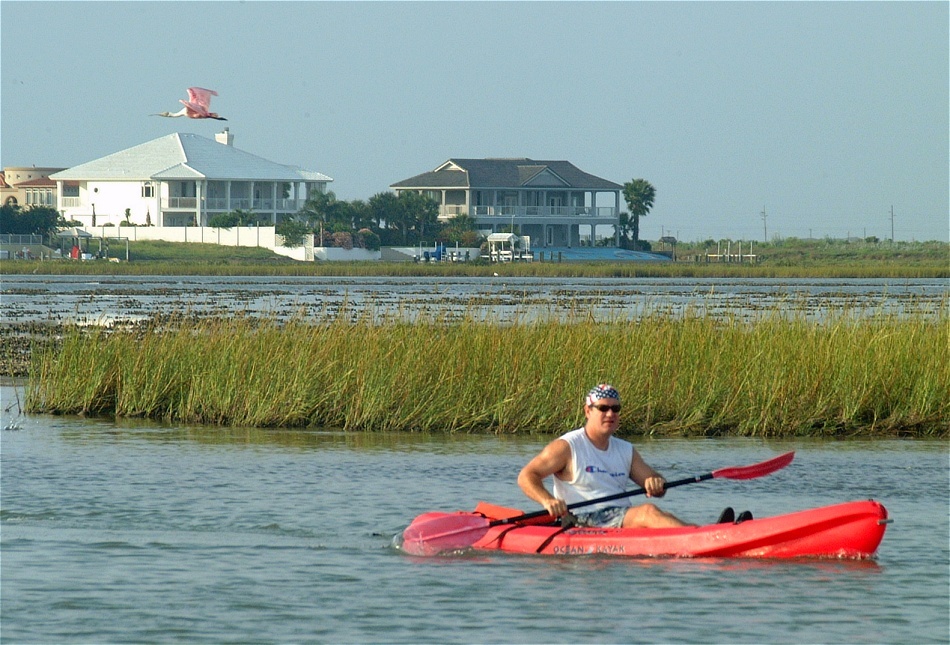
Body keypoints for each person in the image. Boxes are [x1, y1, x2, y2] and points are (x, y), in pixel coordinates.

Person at [518, 383, 695, 529]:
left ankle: (701, 534)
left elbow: (655, 483)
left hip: (619, 517)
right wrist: (547, 500)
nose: (610, 414)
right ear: (588, 411)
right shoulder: (567, 446)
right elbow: (526, 476)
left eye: (615, 408)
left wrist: (655, 482)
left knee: (660, 515)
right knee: (648, 513)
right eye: (603, 408)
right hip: (581, 519)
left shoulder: (625, 449)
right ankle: (698, 536)